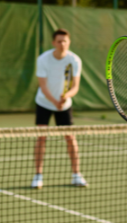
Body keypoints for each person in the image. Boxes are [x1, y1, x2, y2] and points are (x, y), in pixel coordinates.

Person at [31, 28, 86, 189]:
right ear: (53, 43)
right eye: (59, 41)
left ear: (69, 42)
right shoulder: (43, 59)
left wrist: (67, 96)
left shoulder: (75, 60)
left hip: (65, 104)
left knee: (70, 138)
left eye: (65, 41)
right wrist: (55, 101)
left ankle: (76, 174)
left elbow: (75, 86)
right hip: (44, 102)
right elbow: (42, 85)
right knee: (42, 137)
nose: (62, 44)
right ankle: (38, 175)